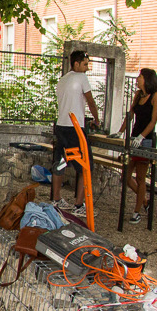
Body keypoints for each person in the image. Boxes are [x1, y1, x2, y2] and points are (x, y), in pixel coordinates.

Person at [51, 50, 101, 210]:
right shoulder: (81, 78)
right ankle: (79, 204)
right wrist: (97, 119)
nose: (87, 68)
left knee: (60, 162)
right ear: (76, 64)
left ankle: (56, 199)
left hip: (61, 125)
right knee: (86, 165)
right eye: (85, 64)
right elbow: (91, 101)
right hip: (75, 127)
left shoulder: (63, 80)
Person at [124, 68, 157, 224]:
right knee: (126, 176)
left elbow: (153, 121)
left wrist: (142, 137)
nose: (137, 79)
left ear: (147, 79)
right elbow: (130, 115)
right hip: (134, 138)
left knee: (141, 178)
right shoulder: (138, 95)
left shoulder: (156, 96)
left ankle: (137, 211)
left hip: (145, 140)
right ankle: (145, 201)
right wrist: (121, 131)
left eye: (139, 77)